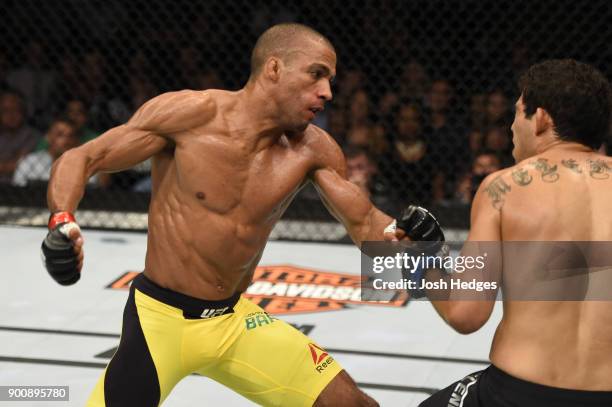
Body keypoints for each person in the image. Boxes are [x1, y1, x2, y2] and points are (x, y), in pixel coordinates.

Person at [40, 23, 441, 407]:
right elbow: (83, 157)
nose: (327, 92)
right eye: (317, 75)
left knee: (351, 404)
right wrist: (62, 222)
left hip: (233, 321)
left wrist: (402, 236)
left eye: (330, 81)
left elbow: (363, 221)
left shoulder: (313, 149)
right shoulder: (190, 116)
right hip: (159, 322)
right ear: (274, 68)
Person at [411, 59, 612, 406]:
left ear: (542, 119)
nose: (511, 126)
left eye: (519, 112)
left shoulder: (503, 188)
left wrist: (423, 260)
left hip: (519, 392)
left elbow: (465, 313)